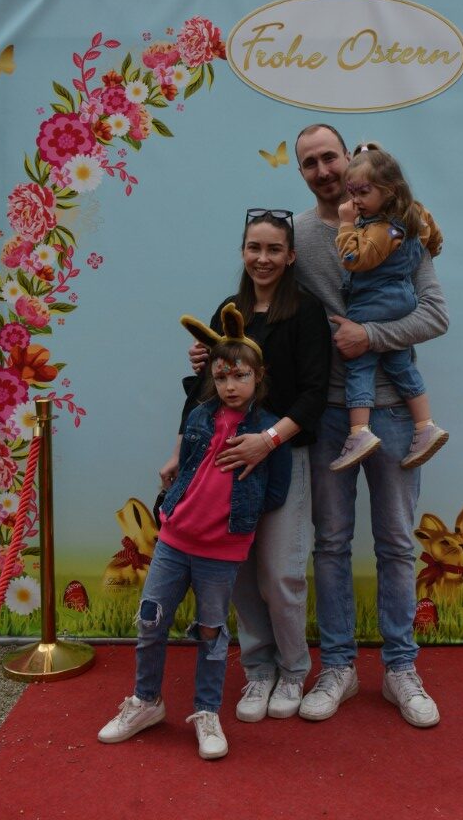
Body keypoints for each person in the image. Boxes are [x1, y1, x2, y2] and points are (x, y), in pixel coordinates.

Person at [292, 124, 449, 729]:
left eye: (329, 157)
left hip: (394, 414)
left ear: (350, 159)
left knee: (397, 543)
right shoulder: (298, 235)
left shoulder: (405, 222)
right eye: (310, 162)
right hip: (329, 414)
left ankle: (400, 668)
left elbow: (435, 315)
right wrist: (216, 351)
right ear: (302, 172)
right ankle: (338, 666)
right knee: (331, 543)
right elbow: (266, 305)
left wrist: (371, 336)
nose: (323, 170)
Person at [98, 313, 292, 760]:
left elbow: (276, 492)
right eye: (221, 377)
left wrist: (235, 522)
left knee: (211, 632)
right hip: (174, 541)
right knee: (151, 620)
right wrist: (176, 509)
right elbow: (186, 466)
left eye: (240, 376)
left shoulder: (268, 431)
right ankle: (146, 701)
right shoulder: (201, 415)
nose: (230, 386)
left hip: (220, 553)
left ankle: (207, 712)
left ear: (258, 376)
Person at [168, 208, 330, 724]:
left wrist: (267, 439)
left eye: (274, 249)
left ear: (291, 256)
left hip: (281, 456)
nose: (263, 258)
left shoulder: (306, 311)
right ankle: (258, 669)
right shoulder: (228, 310)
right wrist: (180, 455)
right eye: (254, 248)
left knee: (280, 574)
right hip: (222, 460)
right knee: (235, 570)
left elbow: (314, 394)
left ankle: (294, 670)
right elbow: (204, 389)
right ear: (243, 252)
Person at [331, 142, 448, 472]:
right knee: (400, 363)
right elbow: (434, 237)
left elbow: (354, 258)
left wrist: (345, 224)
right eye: (351, 192)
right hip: (400, 301)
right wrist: (428, 248)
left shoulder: (383, 228)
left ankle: (359, 432)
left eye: (363, 192)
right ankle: (425, 425)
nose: (355, 201)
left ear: (389, 190)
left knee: (359, 366)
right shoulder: (414, 215)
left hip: (373, 302)